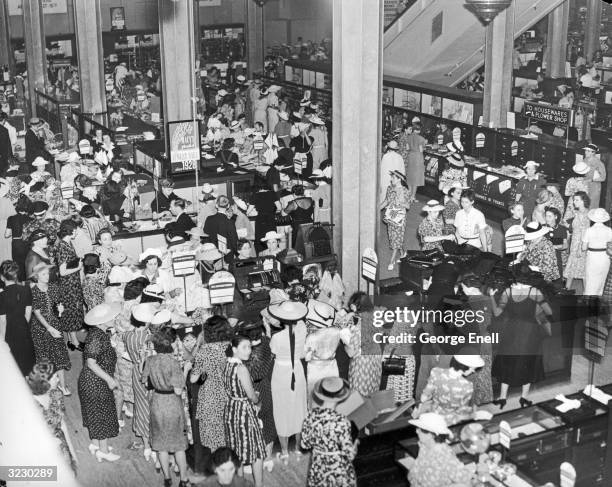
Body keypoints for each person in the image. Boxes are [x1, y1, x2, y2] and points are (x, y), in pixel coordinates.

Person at [490, 275, 553, 408]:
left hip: (510, 331)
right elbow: (549, 311)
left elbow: (496, 313)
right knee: (528, 363)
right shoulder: (534, 292)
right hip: (529, 332)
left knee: (508, 361)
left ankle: (502, 398)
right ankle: (523, 398)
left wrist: (491, 296)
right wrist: (536, 309)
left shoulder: (508, 291)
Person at [142, 327, 190, 487]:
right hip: (172, 402)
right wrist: (186, 371)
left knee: (161, 444)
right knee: (178, 445)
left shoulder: (150, 361)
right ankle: (184, 480)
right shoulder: (173, 362)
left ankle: (167, 479)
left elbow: (146, 382)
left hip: (156, 401)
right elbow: (178, 389)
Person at [78, 303, 122, 462]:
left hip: (92, 381)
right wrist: (110, 379)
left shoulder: (98, 332)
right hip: (95, 382)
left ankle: (96, 444)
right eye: (111, 317)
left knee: (95, 414)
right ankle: (103, 451)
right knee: (101, 414)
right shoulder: (97, 336)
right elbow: (91, 362)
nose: (114, 318)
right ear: (102, 322)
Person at [267, 299, 308, 463]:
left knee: (281, 409)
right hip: (297, 370)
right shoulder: (303, 330)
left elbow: (272, 351)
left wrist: (268, 328)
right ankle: (297, 449)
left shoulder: (277, 337)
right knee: (299, 409)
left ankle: (284, 451)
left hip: (281, 373)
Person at [223, 335, 267, 487]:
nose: (248, 351)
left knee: (237, 448)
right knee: (256, 449)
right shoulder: (241, 368)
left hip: (231, 409)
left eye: (249, 347)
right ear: (234, 349)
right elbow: (251, 396)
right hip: (244, 411)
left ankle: (240, 480)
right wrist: (258, 401)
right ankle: (259, 484)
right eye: (244, 347)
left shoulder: (226, 364)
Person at [301, 377, 357, 487]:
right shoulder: (342, 421)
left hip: (318, 469)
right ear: (340, 397)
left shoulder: (310, 416)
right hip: (338, 472)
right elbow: (349, 455)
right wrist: (355, 445)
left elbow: (305, 444)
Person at [191, 316, 232, 452]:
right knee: (226, 430)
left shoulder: (204, 352)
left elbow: (193, 379)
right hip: (227, 394)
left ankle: (217, 463)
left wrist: (198, 343)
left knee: (211, 435)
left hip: (209, 397)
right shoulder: (229, 347)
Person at [29, 262, 71, 395]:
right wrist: (49, 328)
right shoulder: (33, 290)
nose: (47, 276)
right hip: (40, 329)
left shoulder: (53, 287)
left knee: (59, 354)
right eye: (43, 274)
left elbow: (58, 305)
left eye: (47, 273)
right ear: (36, 276)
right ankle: (45, 388)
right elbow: (37, 313)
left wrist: (60, 310)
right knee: (44, 357)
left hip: (55, 324)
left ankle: (63, 386)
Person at [239, 321, 276, 471]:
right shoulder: (267, 343)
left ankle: (252, 460)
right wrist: (267, 329)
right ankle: (267, 459)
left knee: (250, 423)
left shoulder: (243, 350)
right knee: (268, 421)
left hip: (249, 387)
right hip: (265, 385)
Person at [413, 353, 485, 426]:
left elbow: (424, 396)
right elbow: (462, 412)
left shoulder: (436, 371)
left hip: (433, 414)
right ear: (466, 367)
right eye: (473, 368)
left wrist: (423, 401)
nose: (473, 371)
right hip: (450, 421)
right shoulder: (467, 386)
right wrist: (474, 414)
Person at [405, 413, 474, 487]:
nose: (416, 431)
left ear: (431, 435)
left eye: (420, 429)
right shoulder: (424, 447)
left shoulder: (444, 456)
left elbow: (465, 481)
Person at [0, 260, 36, 375]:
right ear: (16, 275)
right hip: (24, 329)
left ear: (2, 277)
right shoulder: (26, 290)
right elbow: (28, 314)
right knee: (28, 361)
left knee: (15, 364)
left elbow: (3, 321)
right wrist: (22, 326)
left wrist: (3, 340)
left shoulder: (1, 295)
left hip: (10, 332)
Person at [344, 292, 383, 397]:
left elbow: (351, 353)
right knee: (372, 392)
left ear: (353, 306)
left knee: (358, 397)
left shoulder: (357, 327)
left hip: (362, 366)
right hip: (375, 362)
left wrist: (344, 341)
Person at [55, 219, 85, 351]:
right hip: (69, 285)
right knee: (72, 312)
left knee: (70, 312)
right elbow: (62, 271)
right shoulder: (63, 246)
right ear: (71, 231)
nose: (77, 231)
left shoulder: (66, 243)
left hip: (71, 283)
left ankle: (71, 340)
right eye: (75, 229)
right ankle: (74, 342)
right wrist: (78, 268)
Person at [380, 170, 411, 270]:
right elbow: (386, 201)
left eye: (393, 177)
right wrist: (377, 209)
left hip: (400, 218)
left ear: (399, 179)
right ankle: (403, 254)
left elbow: (408, 206)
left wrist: (400, 203)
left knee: (396, 239)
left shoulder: (405, 190)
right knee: (393, 237)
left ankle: (391, 261)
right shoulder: (390, 188)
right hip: (391, 216)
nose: (391, 179)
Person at [565, 191, 591, 290]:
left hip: (580, 244)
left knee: (582, 269)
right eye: (574, 199)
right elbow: (576, 227)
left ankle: (587, 292)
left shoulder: (585, 214)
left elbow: (584, 232)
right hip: (574, 242)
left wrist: (581, 248)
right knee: (572, 266)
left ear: (583, 201)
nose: (574, 202)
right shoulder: (579, 212)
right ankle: (566, 289)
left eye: (576, 200)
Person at [582, 208, 612, 296]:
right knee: (602, 280)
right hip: (605, 257)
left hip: (592, 257)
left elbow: (584, 248)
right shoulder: (609, 230)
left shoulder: (589, 230)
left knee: (591, 280)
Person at [5, 196, 32, 280]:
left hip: (16, 244)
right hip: (27, 244)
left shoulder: (11, 218)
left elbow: (6, 235)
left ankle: (20, 285)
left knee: (18, 266)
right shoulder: (31, 219)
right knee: (28, 265)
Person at [204, 196, 239, 260]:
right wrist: (236, 253)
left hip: (212, 254)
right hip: (227, 256)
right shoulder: (230, 222)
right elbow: (234, 240)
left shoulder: (209, 219)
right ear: (228, 206)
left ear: (216, 205)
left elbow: (205, 236)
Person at [250, 179, 280, 253]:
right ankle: (275, 255)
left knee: (261, 239)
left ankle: (261, 258)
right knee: (272, 238)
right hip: (271, 218)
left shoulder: (255, 195)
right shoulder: (272, 193)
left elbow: (248, 211)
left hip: (260, 220)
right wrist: (273, 212)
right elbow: (280, 208)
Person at [544, 207, 568, 280]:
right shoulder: (542, 228)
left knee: (557, 279)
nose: (547, 218)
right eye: (546, 216)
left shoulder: (561, 229)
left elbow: (565, 245)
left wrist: (554, 246)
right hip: (545, 257)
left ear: (556, 217)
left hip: (556, 257)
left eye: (549, 216)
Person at [404, 123, 426, 201]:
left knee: (410, 176)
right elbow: (421, 150)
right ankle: (413, 196)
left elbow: (407, 148)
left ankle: (409, 194)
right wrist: (424, 147)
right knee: (416, 178)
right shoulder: (421, 138)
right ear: (419, 130)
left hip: (410, 156)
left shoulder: (408, 137)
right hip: (418, 158)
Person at [583, 143, 606, 208]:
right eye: (585, 150)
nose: (585, 152)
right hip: (585, 184)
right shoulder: (585, 160)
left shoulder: (599, 163)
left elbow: (603, 178)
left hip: (595, 186)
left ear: (593, 152)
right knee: (584, 203)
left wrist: (591, 180)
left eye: (588, 151)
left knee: (592, 204)